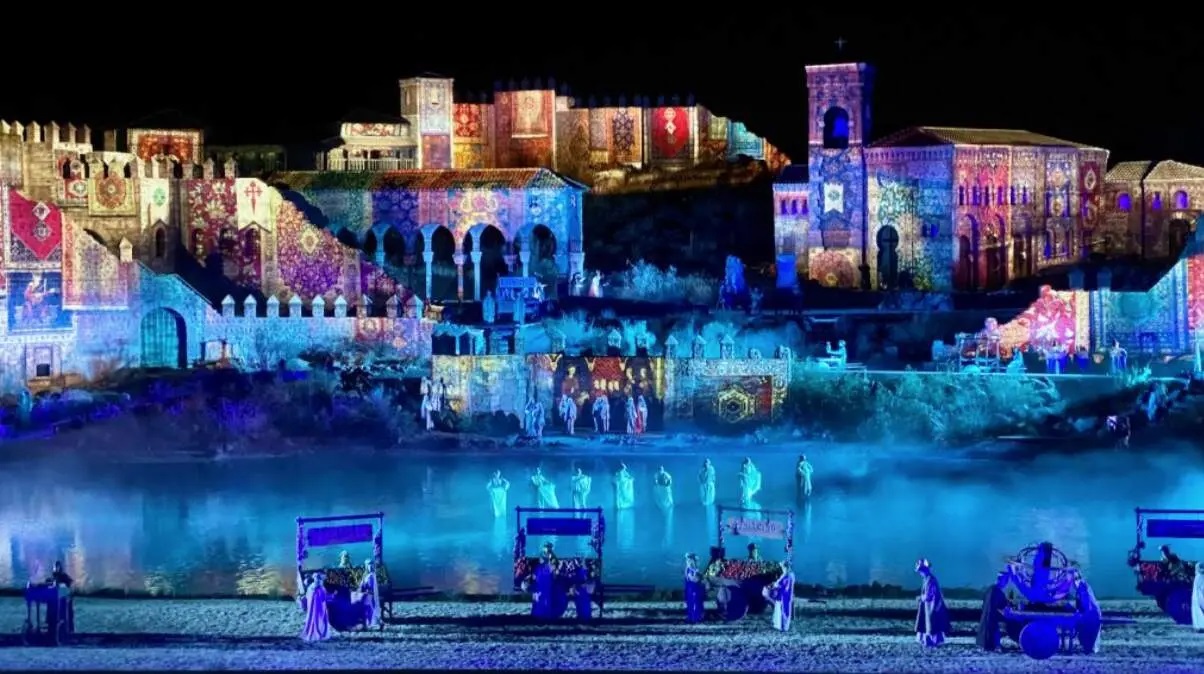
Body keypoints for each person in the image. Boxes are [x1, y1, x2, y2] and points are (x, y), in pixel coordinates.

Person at [914, 559, 951, 647]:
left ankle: (932, 641)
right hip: (928, 606)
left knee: (932, 624)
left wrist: (921, 598)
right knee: (927, 624)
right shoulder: (927, 579)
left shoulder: (931, 580)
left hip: (932, 606)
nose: (920, 573)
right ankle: (927, 640)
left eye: (921, 571)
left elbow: (930, 595)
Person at [976, 571, 1011, 651]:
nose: (1006, 583)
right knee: (993, 630)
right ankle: (994, 646)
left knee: (989, 630)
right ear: (1001, 580)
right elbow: (1002, 604)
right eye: (1005, 581)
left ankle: (989, 646)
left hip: (988, 615)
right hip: (991, 615)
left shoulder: (991, 589)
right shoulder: (996, 591)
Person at [763, 560, 795, 632]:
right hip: (782, 595)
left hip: (784, 596)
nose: (782, 568)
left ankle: (784, 626)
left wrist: (776, 586)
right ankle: (779, 625)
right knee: (780, 610)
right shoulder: (785, 575)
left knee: (784, 610)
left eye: (782, 567)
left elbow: (785, 587)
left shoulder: (788, 576)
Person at [301, 572, 333, 642]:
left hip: (314, 609)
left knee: (313, 618)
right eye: (320, 578)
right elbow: (323, 598)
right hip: (319, 609)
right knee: (319, 620)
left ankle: (314, 633)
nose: (321, 580)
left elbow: (308, 598)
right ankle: (319, 634)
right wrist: (331, 596)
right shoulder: (319, 588)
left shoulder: (311, 588)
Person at [1074, 575, 1102, 654]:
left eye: (1076, 579)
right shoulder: (1083, 588)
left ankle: (1088, 647)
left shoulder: (1082, 589)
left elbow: (1085, 605)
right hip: (1091, 615)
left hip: (1090, 617)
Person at [359, 559, 381, 629]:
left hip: (369, 595)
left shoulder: (372, 575)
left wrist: (365, 588)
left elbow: (370, 587)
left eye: (371, 564)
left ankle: (371, 622)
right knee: (367, 608)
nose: (370, 566)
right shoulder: (366, 575)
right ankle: (368, 621)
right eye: (368, 565)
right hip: (366, 594)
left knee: (370, 608)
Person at [683, 553, 705, 623]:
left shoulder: (693, 569)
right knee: (694, 603)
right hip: (693, 589)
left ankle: (695, 617)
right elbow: (693, 579)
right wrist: (699, 577)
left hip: (694, 589)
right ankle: (695, 617)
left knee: (695, 602)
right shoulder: (690, 569)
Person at [1192, 560, 1204, 632]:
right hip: (1198, 596)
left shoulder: (1199, 577)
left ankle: (1200, 626)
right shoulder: (1199, 576)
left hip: (1198, 596)